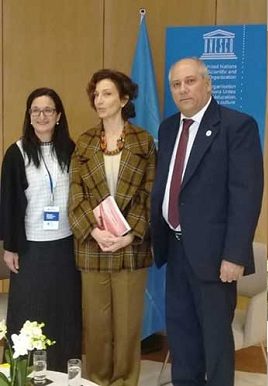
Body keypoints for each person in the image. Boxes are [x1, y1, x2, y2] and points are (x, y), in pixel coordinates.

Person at [150, 57, 263, 386]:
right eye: (176, 84)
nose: (182, 89)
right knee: (182, 337)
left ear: (207, 83)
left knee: (215, 343)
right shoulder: (169, 128)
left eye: (190, 81)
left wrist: (235, 255)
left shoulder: (237, 126)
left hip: (216, 257)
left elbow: (246, 195)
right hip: (175, 248)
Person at [68, 69, 156, 386]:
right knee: (96, 325)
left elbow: (150, 195)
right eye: (96, 94)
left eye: (106, 93)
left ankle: (125, 381)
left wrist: (129, 235)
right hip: (93, 246)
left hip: (129, 248)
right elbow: (75, 193)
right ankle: (97, 381)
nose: (99, 100)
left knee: (128, 326)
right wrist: (94, 231)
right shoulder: (84, 142)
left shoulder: (144, 141)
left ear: (124, 99)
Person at [0, 88, 80, 372]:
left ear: (58, 116)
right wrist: (9, 247)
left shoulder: (72, 150)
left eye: (48, 110)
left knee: (63, 312)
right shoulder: (16, 152)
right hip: (30, 247)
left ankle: (63, 371)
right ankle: (24, 371)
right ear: (29, 116)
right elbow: (8, 202)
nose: (42, 116)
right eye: (36, 110)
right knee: (29, 312)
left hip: (65, 245)